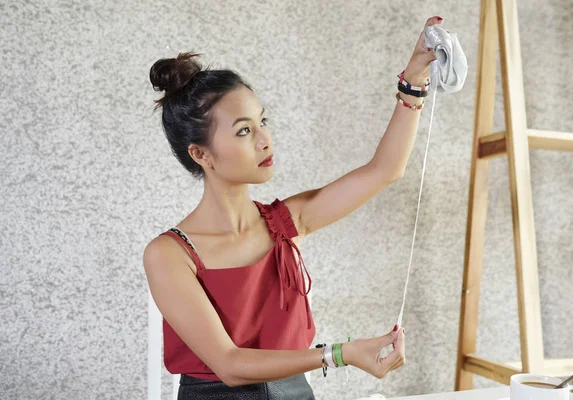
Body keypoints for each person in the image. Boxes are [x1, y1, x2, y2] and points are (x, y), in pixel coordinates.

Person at [143, 15, 443, 400]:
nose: (265, 139)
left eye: (262, 121)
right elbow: (231, 365)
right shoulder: (168, 254)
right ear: (201, 154)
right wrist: (341, 354)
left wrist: (415, 78)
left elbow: (385, 170)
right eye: (244, 130)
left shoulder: (287, 222)